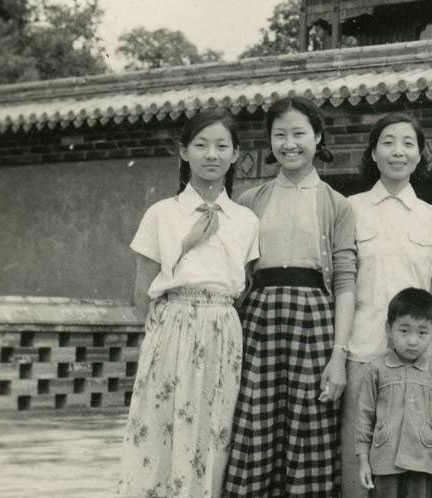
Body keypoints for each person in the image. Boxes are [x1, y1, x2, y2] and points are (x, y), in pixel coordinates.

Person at [118, 110, 260, 498]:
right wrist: (186, 244)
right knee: (162, 425)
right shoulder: (161, 214)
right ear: (183, 151)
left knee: (214, 428)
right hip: (172, 325)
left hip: (222, 331)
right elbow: (141, 293)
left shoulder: (246, 220)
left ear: (235, 155)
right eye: (200, 145)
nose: (211, 154)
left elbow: (244, 285)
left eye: (221, 146)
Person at [223, 96, 356, 498]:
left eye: (299, 133)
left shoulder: (338, 204)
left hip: (314, 321)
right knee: (254, 424)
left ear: (317, 137)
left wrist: (339, 355)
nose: (289, 143)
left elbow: (346, 283)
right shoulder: (249, 201)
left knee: (309, 424)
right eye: (279, 135)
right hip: (259, 322)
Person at [342, 114, 432, 498]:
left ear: (419, 155)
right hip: (363, 354)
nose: (398, 151)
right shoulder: (350, 209)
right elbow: (338, 284)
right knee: (357, 465)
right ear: (373, 152)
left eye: (408, 143)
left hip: (418, 366)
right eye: (389, 142)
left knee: (414, 473)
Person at [355, 288, 432, 498]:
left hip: (424, 466)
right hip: (384, 463)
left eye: (422, 332)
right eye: (404, 330)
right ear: (389, 329)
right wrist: (364, 461)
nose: (412, 340)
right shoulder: (376, 370)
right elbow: (364, 419)